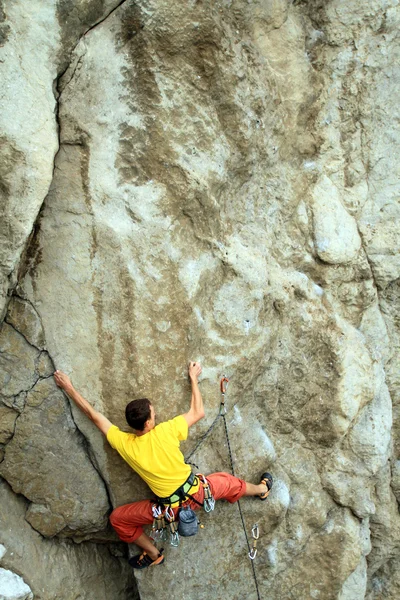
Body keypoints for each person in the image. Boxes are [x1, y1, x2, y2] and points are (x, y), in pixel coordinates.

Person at [54, 362, 272, 569]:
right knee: (228, 482)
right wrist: (193, 378)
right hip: (197, 492)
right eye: (154, 413)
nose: (156, 414)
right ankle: (262, 489)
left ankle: (153, 554)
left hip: (166, 511)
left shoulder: (125, 444)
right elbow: (198, 412)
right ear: (148, 422)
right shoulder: (165, 431)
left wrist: (69, 387)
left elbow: (94, 416)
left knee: (118, 519)